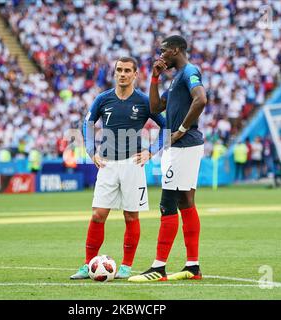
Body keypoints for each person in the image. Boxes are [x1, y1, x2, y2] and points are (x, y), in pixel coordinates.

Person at [70, 57, 166, 280]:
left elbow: (166, 126)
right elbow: (88, 123)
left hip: (133, 164)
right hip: (107, 163)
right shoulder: (103, 99)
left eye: (127, 71)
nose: (122, 74)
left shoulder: (144, 101)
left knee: (131, 217)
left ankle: (126, 266)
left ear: (135, 75)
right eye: (119, 70)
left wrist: (151, 151)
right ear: (114, 73)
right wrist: (91, 151)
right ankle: (87, 265)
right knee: (98, 214)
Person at [128, 35, 207, 282]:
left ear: (175, 50)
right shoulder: (175, 79)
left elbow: (201, 99)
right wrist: (154, 77)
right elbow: (154, 108)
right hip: (181, 147)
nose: (160, 55)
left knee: (167, 203)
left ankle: (158, 267)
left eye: (163, 51)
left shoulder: (189, 72)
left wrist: (181, 130)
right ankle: (192, 267)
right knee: (185, 202)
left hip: (183, 145)